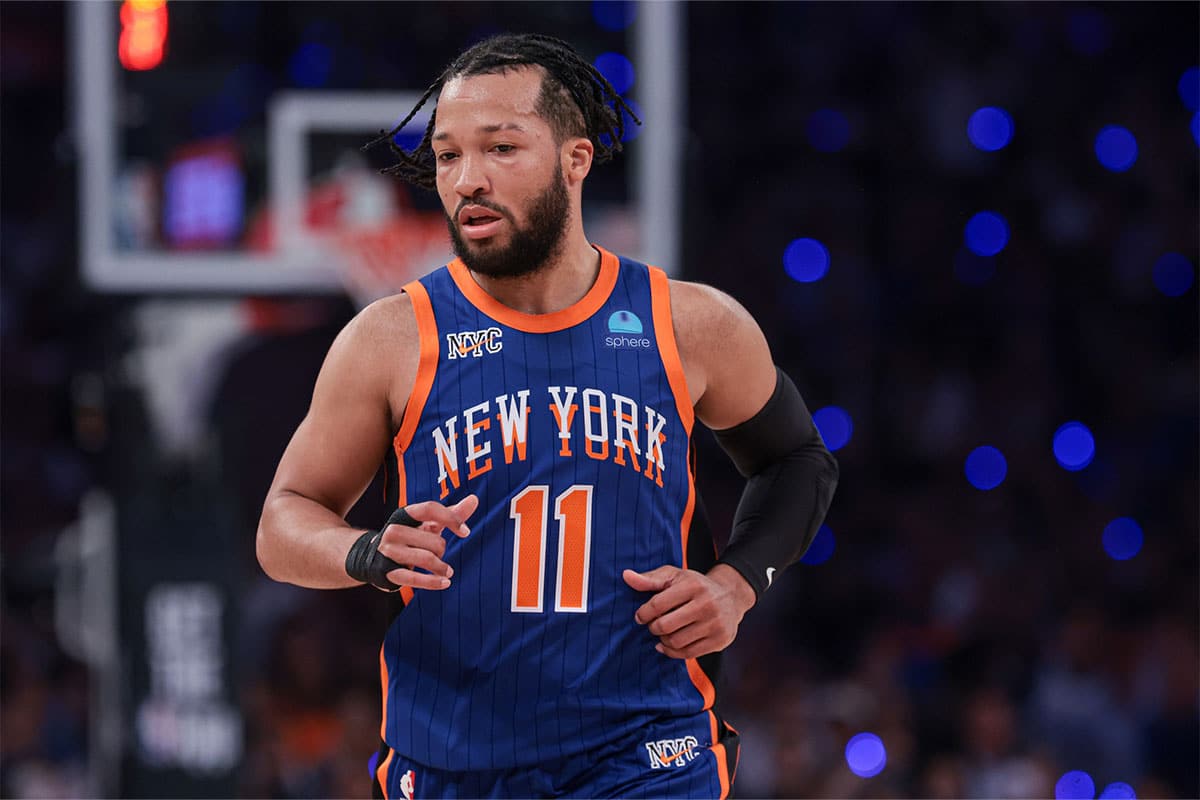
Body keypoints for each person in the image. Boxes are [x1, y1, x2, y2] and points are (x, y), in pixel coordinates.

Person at [257, 33, 838, 800]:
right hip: (452, 764)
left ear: (577, 158)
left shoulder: (689, 324)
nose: (468, 180)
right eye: (448, 156)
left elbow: (798, 459)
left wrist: (735, 584)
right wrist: (364, 551)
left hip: (647, 755)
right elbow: (283, 523)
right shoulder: (391, 338)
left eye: (501, 148)